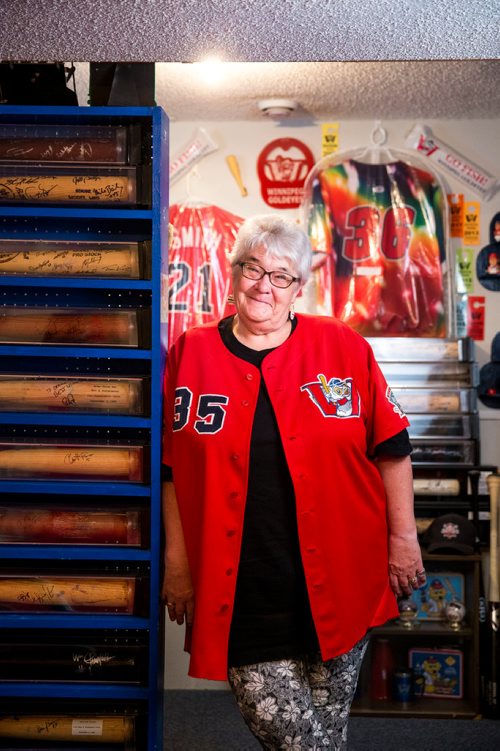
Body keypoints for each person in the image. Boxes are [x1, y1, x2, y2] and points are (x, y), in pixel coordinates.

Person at [161, 214, 425, 750]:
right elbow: (171, 468)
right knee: (302, 744)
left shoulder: (342, 347)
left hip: (343, 576)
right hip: (243, 591)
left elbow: (392, 447)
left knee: (326, 736)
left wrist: (403, 541)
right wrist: (178, 561)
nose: (264, 285)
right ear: (233, 273)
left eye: (280, 276)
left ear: (298, 289)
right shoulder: (190, 352)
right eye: (252, 268)